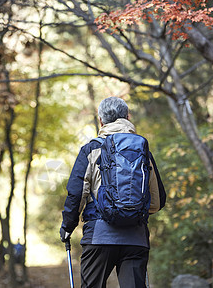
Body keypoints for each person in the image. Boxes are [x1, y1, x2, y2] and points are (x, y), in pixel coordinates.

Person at [60, 96, 166, 288]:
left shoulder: (91, 149)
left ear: (101, 121)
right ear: (127, 116)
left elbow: (76, 194)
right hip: (136, 238)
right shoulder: (143, 151)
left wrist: (68, 226)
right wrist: (132, 212)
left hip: (99, 237)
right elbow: (157, 202)